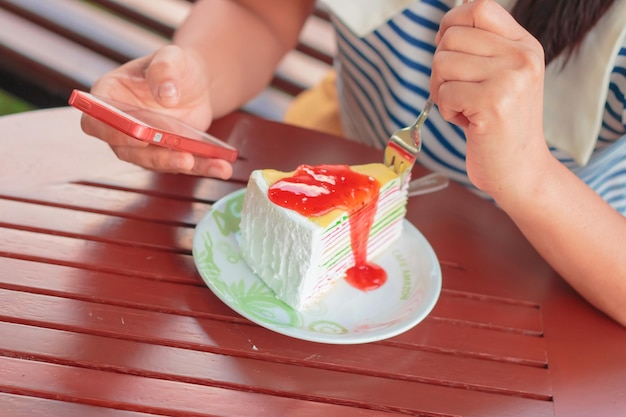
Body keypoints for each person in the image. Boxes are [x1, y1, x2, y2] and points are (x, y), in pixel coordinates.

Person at [81, 0, 626, 326]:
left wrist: (529, 176)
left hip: (553, 271)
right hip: (345, 149)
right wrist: (196, 78)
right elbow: (258, 12)